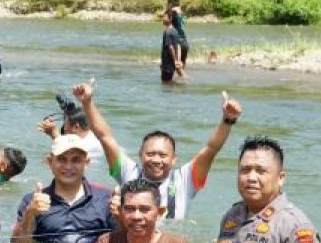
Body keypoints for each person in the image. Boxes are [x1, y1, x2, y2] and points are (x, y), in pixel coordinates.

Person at [76, 82, 241, 220]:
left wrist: (227, 120)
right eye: (150, 154)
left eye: (163, 155)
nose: (156, 160)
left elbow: (211, 149)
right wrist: (87, 103)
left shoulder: (186, 180)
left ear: (174, 159)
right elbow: (105, 137)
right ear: (140, 156)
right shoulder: (129, 172)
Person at [208, 136, 321, 243]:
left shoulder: (293, 224)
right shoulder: (233, 214)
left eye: (261, 171)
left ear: (281, 178)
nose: (251, 178)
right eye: (245, 170)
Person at [83, 178, 197, 243]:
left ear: (160, 212)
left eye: (144, 209)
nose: (136, 216)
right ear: (120, 211)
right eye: (129, 209)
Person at [12, 134, 114, 243]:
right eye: (62, 159)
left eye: (76, 160)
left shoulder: (106, 199)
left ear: (86, 163)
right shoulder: (32, 201)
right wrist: (30, 214)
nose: (68, 166)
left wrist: (121, 217)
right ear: (50, 161)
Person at [161, 11, 186, 83]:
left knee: (166, 83)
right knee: (169, 81)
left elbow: (170, 47)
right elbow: (177, 46)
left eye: (164, 17)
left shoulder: (167, 31)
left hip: (168, 63)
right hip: (170, 63)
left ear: (170, 18)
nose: (163, 18)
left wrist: (175, 60)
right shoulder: (175, 31)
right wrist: (177, 60)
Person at [166, 0, 189, 69]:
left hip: (177, 42)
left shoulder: (173, 11)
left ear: (170, 4)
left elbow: (166, 21)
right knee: (182, 65)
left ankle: (180, 79)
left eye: (168, 4)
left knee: (176, 65)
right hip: (185, 42)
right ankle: (183, 79)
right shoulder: (181, 12)